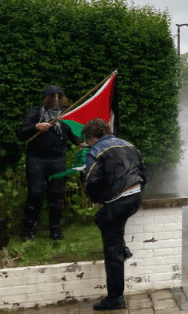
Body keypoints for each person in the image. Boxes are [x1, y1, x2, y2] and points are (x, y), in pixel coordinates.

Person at [82, 118, 146, 311]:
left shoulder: (95, 151)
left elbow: (91, 180)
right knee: (103, 220)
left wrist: (96, 199)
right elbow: (143, 171)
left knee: (112, 251)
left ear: (92, 137)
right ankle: (122, 248)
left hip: (117, 200)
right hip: (134, 197)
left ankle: (115, 299)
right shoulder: (129, 145)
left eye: (89, 139)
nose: (89, 143)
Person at [17, 85, 84, 241]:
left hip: (57, 159)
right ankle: (29, 230)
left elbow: (73, 133)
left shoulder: (66, 115)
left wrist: (80, 143)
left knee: (55, 195)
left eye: (59, 97)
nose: (55, 100)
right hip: (36, 159)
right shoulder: (35, 113)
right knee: (35, 193)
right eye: (52, 96)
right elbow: (21, 133)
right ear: (46, 99)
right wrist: (36, 127)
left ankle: (55, 230)